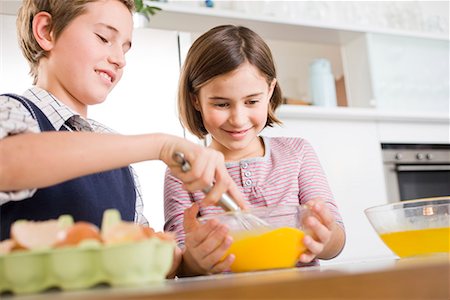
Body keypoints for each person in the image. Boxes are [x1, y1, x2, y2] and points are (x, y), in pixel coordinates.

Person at [0, 1, 243, 277]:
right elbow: (8, 161)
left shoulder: (116, 152)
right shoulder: (12, 112)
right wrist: (160, 145)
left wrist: (191, 261)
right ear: (46, 31)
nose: (120, 59)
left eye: (125, 47)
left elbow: (141, 261)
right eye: (104, 38)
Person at [164, 25, 346, 276]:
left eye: (252, 101)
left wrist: (325, 237)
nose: (238, 119)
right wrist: (195, 259)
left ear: (270, 91)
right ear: (196, 99)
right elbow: (181, 267)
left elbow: (336, 239)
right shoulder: (183, 173)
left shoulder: (297, 153)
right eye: (221, 104)